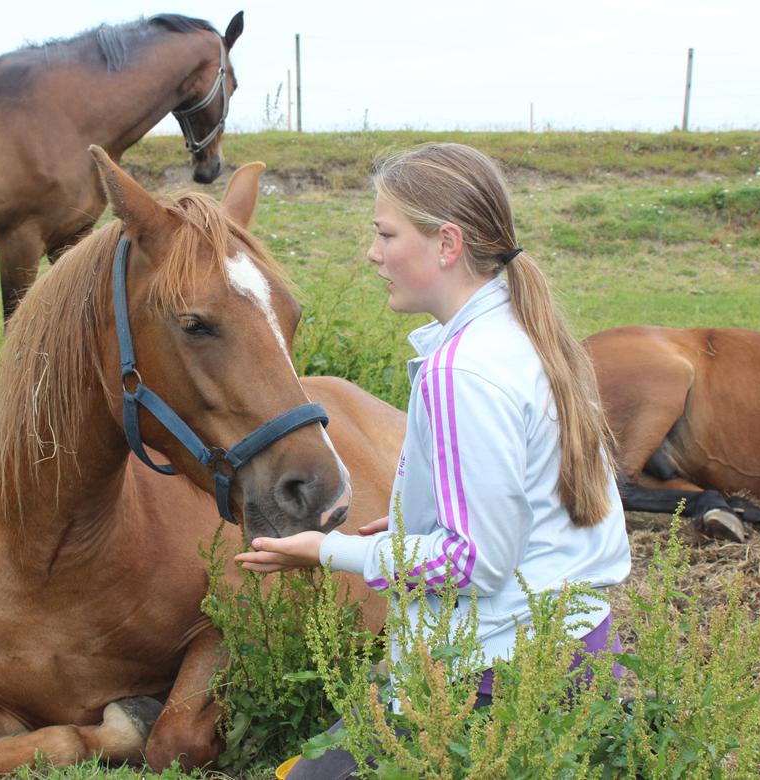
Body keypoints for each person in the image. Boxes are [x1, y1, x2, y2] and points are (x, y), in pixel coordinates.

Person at [235, 142, 632, 779]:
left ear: (446, 244)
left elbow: (474, 559)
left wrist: (326, 552)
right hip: (575, 651)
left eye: (385, 233)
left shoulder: (462, 372)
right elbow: (533, 510)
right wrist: (412, 533)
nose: (373, 253)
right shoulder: (527, 337)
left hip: (494, 678)